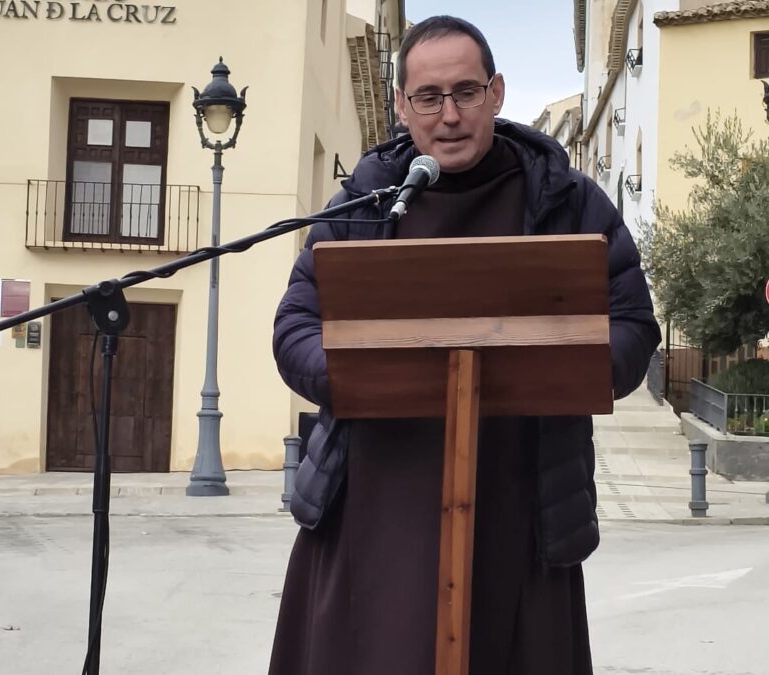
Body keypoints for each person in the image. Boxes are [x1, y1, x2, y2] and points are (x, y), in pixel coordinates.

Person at [268, 16, 661, 675]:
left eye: (465, 92)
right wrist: (357, 377)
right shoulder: (366, 204)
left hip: (520, 499)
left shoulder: (567, 202)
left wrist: (560, 368)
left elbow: (633, 325)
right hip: (375, 498)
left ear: (496, 93)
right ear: (402, 106)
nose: (448, 115)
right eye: (428, 97)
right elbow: (295, 326)